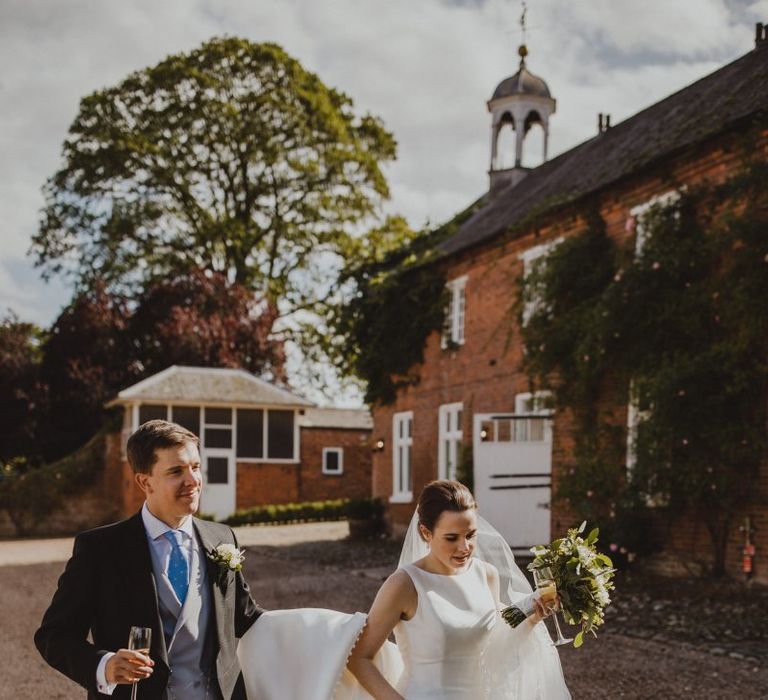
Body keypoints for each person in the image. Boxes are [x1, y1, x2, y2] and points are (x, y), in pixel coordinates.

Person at [236, 480, 571, 699]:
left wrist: (530, 620)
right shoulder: (405, 584)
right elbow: (360, 658)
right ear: (426, 533)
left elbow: (493, 638)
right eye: (451, 538)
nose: (465, 546)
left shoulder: (486, 574)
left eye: (470, 534)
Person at [34, 420, 263, 700]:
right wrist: (104, 665)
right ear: (145, 482)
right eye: (176, 471)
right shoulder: (100, 549)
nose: (192, 480)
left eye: (195, 467)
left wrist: (321, 628)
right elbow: (54, 635)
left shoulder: (222, 538)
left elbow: (247, 617)